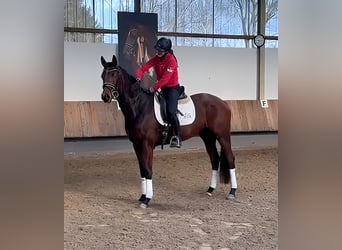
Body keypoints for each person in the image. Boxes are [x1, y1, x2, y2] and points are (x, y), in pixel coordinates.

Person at [136, 37, 182, 148]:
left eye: (160, 51)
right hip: (161, 88)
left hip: (172, 89)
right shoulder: (157, 58)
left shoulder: (171, 60)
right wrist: (138, 78)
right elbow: (143, 68)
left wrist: (154, 88)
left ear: (166, 51)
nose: (158, 52)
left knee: (171, 112)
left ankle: (177, 136)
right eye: (157, 50)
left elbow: (165, 79)